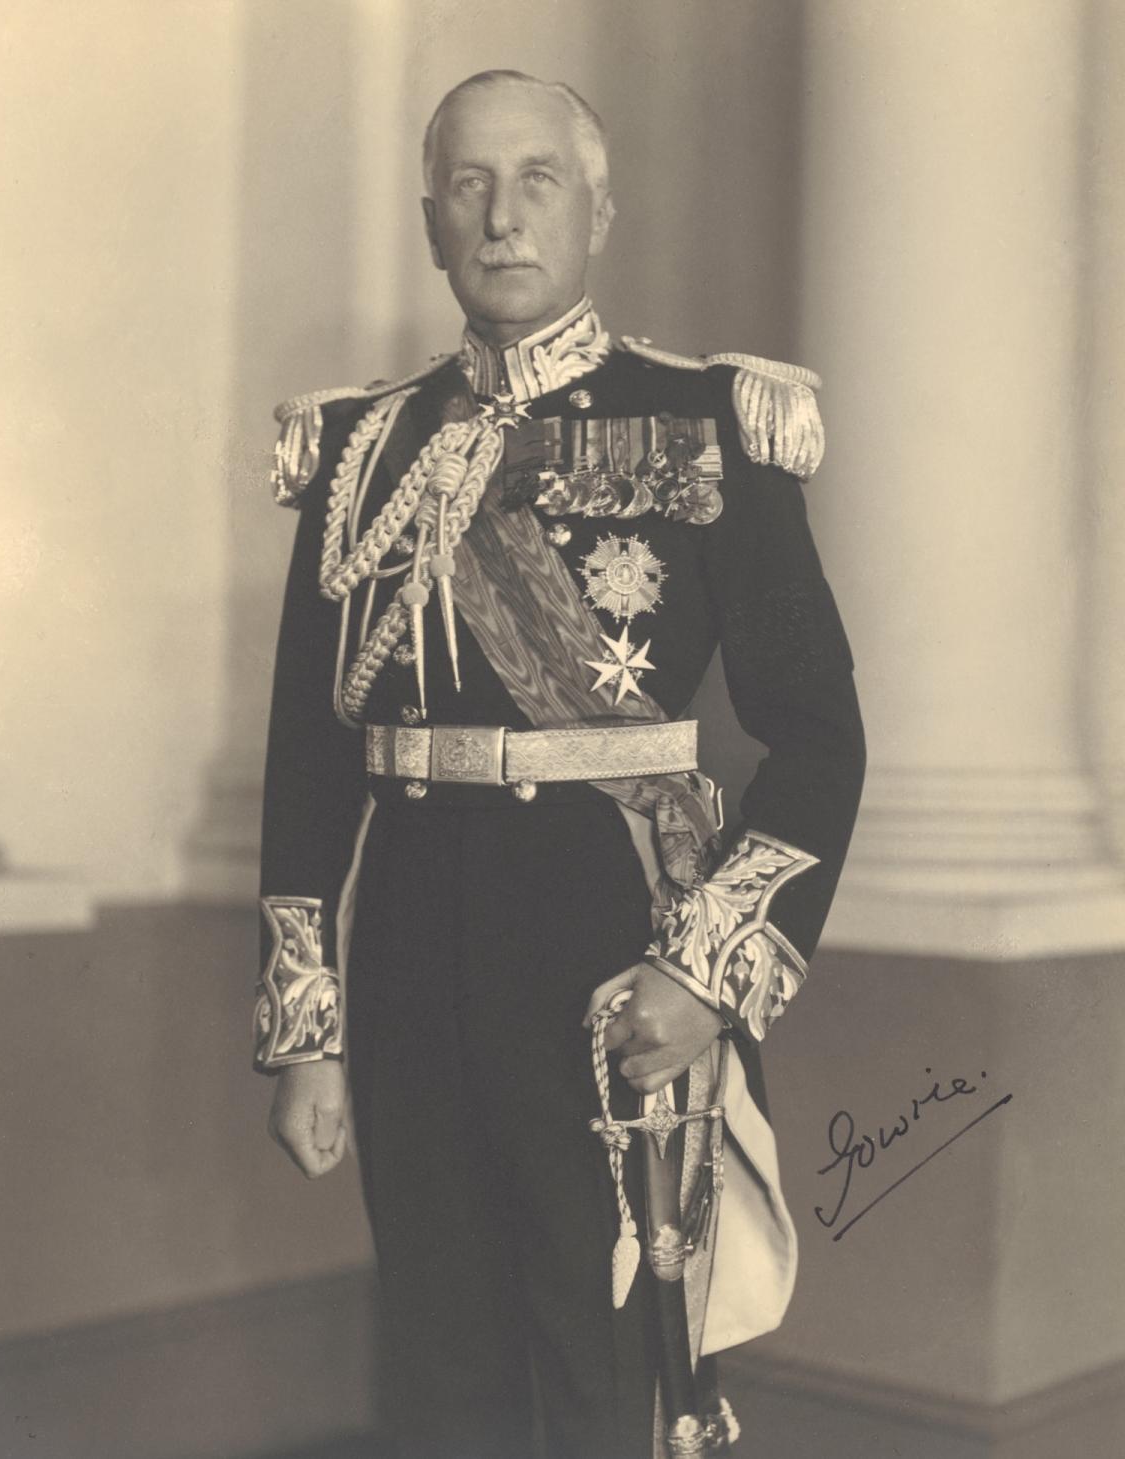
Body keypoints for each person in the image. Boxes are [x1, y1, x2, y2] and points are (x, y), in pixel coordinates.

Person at [255, 69, 865, 1459]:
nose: (503, 216)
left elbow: (821, 740)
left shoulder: (713, 423)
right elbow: (309, 758)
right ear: (429, 221)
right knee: (435, 1366)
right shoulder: (359, 451)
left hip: (610, 944)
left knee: (606, 1368)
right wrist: (309, 1031)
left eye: (538, 180)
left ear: (598, 206)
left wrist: (706, 975)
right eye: (468, 184)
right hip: (408, 946)